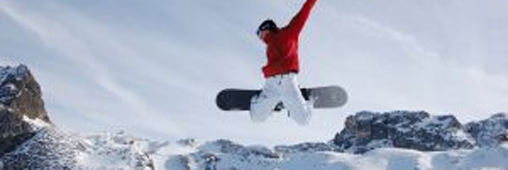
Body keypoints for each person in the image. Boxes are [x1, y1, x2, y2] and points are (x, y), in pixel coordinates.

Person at [251, 0, 318, 125]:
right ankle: (260, 101)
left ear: (266, 28)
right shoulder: (269, 45)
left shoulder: (290, 32)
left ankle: (306, 100)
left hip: (288, 82)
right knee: (256, 119)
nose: (259, 37)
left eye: (259, 33)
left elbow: (304, 11)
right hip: (271, 84)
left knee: (304, 121)